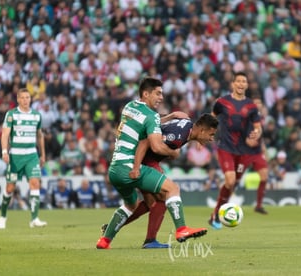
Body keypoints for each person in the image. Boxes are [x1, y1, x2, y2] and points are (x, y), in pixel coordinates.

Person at [96, 76, 208, 249]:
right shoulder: (151, 116)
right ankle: (182, 229)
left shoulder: (130, 106)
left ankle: (104, 240)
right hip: (130, 166)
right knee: (171, 189)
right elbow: (155, 146)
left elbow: (147, 123)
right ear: (146, 94)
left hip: (115, 169)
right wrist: (173, 152)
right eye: (158, 93)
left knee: (131, 204)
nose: (161, 97)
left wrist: (169, 116)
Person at [100, 113, 219, 248]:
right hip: (142, 160)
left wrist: (172, 115)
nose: (211, 139)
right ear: (202, 130)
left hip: (142, 160)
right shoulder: (177, 135)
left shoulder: (186, 123)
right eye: (211, 134)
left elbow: (157, 126)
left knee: (152, 201)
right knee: (166, 193)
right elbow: (146, 141)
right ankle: (176, 231)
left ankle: (114, 230)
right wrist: (139, 166)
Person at [208, 71, 269, 230]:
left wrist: (257, 133)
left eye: (244, 81)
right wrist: (205, 134)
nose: (241, 84)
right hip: (225, 147)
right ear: (233, 84)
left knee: (232, 184)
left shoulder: (251, 106)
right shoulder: (222, 102)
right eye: (239, 81)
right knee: (230, 180)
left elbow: (258, 127)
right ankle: (217, 215)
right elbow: (211, 118)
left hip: (243, 151)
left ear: (247, 85)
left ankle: (215, 215)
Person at [0, 88, 47, 229]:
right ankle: (3, 216)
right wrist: (4, 151)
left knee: (35, 183)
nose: (25, 100)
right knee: (10, 187)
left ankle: (34, 219)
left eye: (28, 97)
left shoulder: (36, 115)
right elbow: (5, 135)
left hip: (32, 155)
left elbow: (40, 135)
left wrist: (43, 154)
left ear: (30, 99)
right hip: (16, 156)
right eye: (22, 98)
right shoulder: (11, 115)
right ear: (18, 99)